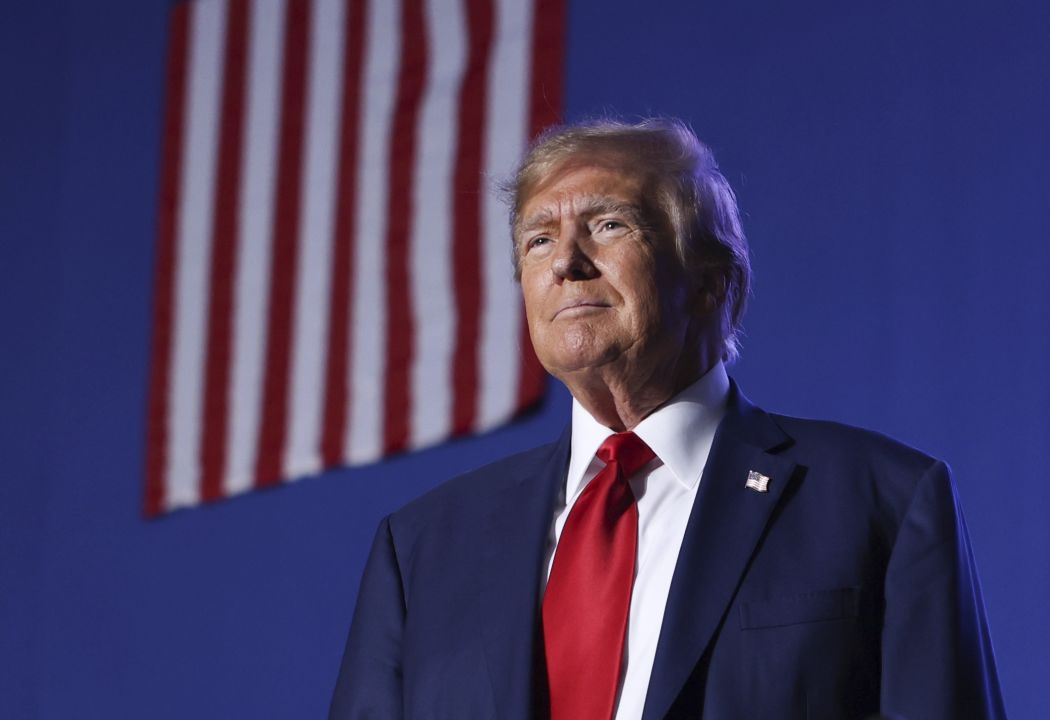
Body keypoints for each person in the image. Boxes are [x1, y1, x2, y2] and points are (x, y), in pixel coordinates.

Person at [330, 118, 1005, 720]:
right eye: (539, 240)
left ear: (713, 281)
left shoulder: (879, 501)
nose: (566, 262)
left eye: (609, 225)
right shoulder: (422, 546)